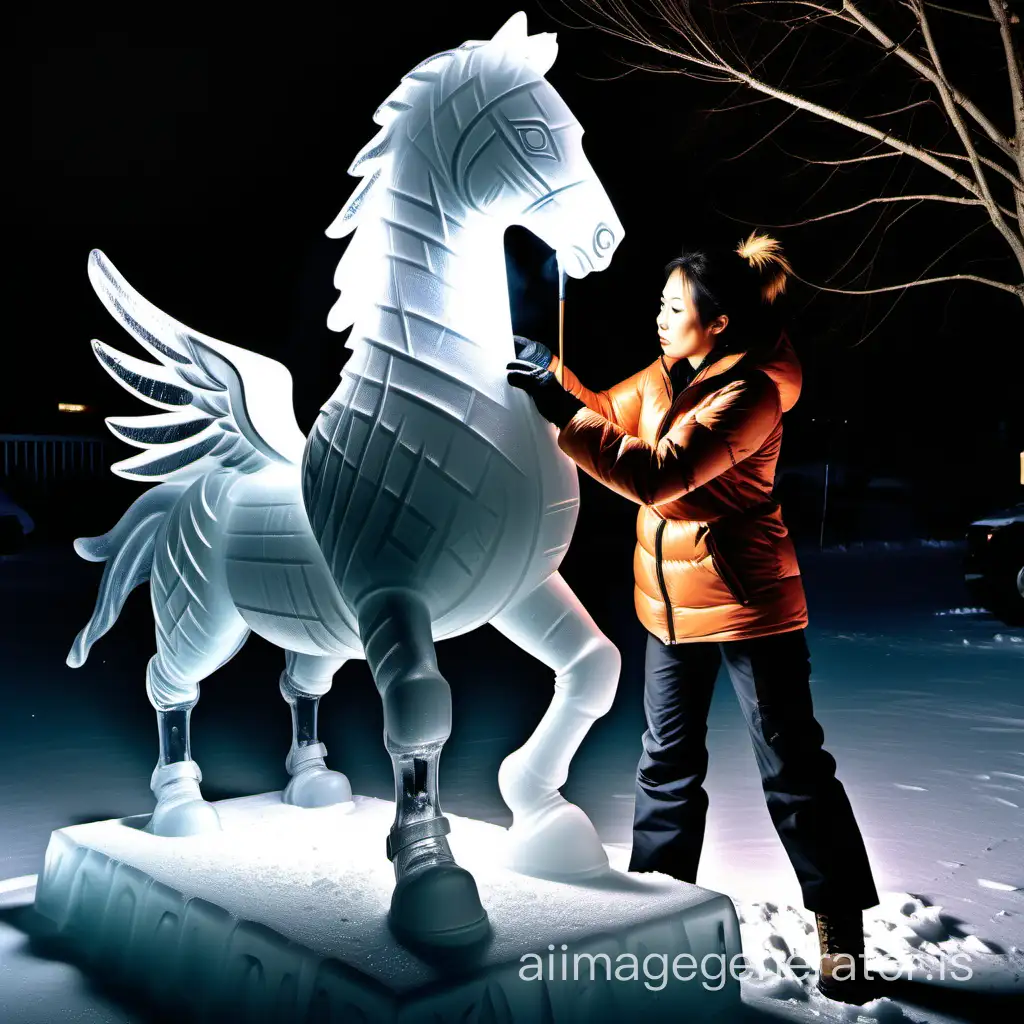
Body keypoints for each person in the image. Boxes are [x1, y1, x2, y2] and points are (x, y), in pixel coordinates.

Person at [506, 232, 880, 1004]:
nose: (659, 316)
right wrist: (554, 375)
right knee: (665, 767)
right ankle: (656, 921)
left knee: (793, 770)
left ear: (718, 324)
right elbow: (607, 413)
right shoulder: (670, 372)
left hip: (749, 609)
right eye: (660, 303)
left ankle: (839, 931)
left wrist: (558, 408)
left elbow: (660, 476)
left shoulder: (751, 394)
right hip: (669, 607)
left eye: (674, 307)